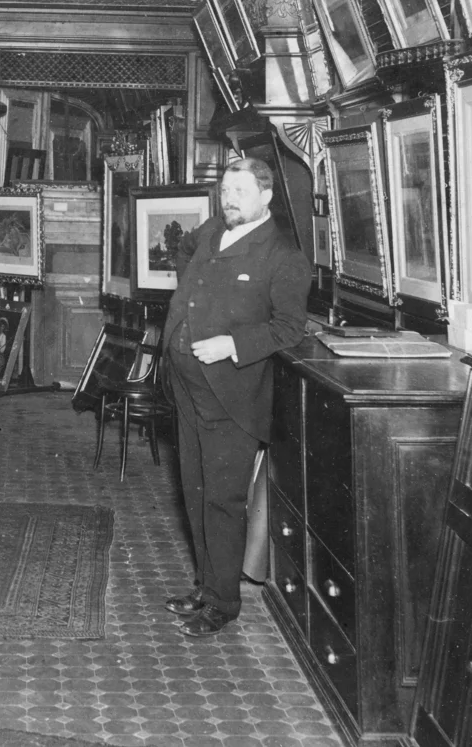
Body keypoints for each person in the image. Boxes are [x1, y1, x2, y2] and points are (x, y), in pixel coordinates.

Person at [161, 157, 310, 636]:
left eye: (240, 192)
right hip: (185, 385)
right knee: (194, 491)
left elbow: (290, 328)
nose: (229, 200)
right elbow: (183, 251)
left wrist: (233, 344)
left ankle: (222, 604)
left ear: (266, 197)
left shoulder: (284, 255)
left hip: (230, 396)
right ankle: (206, 585)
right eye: (225, 190)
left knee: (223, 499)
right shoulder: (210, 232)